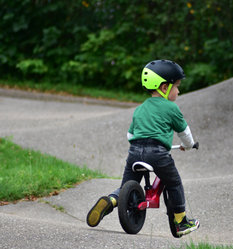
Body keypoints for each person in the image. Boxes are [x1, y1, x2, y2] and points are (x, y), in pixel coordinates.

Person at [86, 59, 200, 237]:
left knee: (126, 186)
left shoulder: (140, 109)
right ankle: (181, 222)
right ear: (164, 88)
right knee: (174, 183)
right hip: (158, 154)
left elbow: (130, 136)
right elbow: (184, 132)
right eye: (176, 86)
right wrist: (189, 145)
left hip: (134, 153)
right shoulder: (171, 108)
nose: (179, 90)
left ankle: (111, 200)